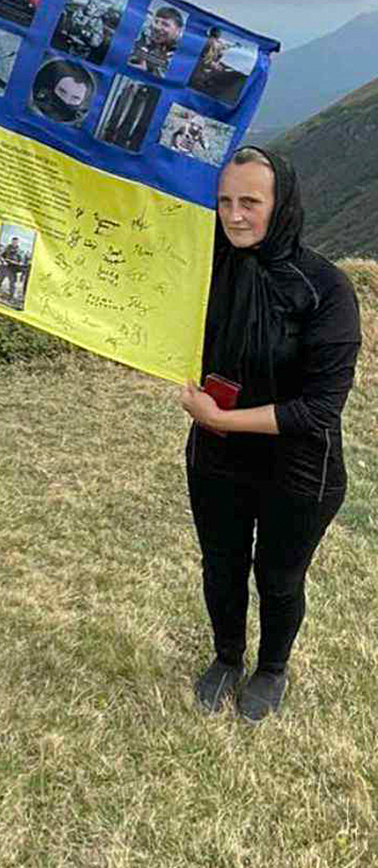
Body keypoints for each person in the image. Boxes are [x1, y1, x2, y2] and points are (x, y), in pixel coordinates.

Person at [179, 147, 361, 722]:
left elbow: (319, 409)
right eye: (224, 201)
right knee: (221, 565)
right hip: (216, 458)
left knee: (279, 578)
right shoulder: (204, 269)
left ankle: (272, 668)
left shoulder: (326, 289)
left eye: (250, 202)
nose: (234, 216)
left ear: (281, 204)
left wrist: (221, 420)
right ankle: (227, 657)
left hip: (298, 468)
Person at [30, 61, 94, 126]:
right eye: (62, 92)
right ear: (53, 87)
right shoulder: (36, 103)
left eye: (75, 98)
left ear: (83, 101)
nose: (66, 100)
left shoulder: (79, 119)